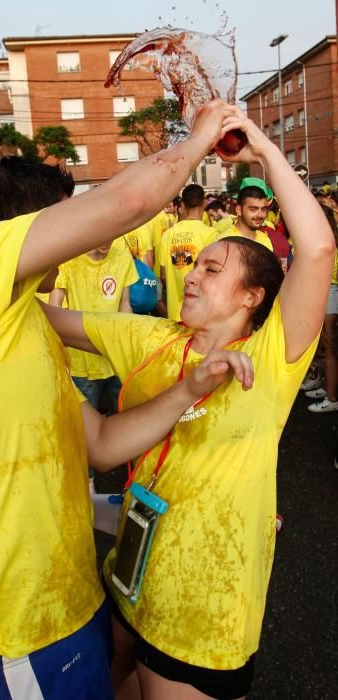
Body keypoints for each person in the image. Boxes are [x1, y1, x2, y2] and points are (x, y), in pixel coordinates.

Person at [0, 100, 244, 698]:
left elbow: (101, 442)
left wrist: (190, 389)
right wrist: (199, 139)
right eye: (66, 222)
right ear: (24, 229)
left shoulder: (26, 322)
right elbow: (125, 205)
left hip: (73, 603)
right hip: (17, 631)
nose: (79, 236)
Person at [43, 107, 335, 699]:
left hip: (205, 610)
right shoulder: (153, 337)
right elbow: (50, 322)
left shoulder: (274, 356)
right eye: (194, 266)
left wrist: (261, 149)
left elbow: (319, 248)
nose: (192, 277)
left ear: (254, 296)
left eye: (211, 268)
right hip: (129, 574)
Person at [49, 241, 138, 493]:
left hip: (114, 361)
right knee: (84, 432)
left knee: (131, 419)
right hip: (81, 364)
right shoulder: (69, 258)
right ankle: (85, 487)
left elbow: (125, 305)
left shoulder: (122, 256)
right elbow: (54, 306)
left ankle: (138, 480)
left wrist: (128, 349)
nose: (107, 241)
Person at [160, 184, 212, 321]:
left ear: (182, 204)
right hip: (201, 314)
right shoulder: (211, 234)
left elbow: (163, 276)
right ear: (204, 202)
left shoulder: (168, 234)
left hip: (175, 315)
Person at [305, 205, 338, 412]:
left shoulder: (327, 244)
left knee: (328, 348)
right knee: (323, 346)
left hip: (329, 294)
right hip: (325, 293)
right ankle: (325, 387)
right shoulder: (328, 240)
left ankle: (332, 398)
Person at [214, 180, 273, 251]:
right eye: (253, 209)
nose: (260, 215)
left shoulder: (265, 240)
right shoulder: (224, 242)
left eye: (263, 209)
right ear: (239, 210)